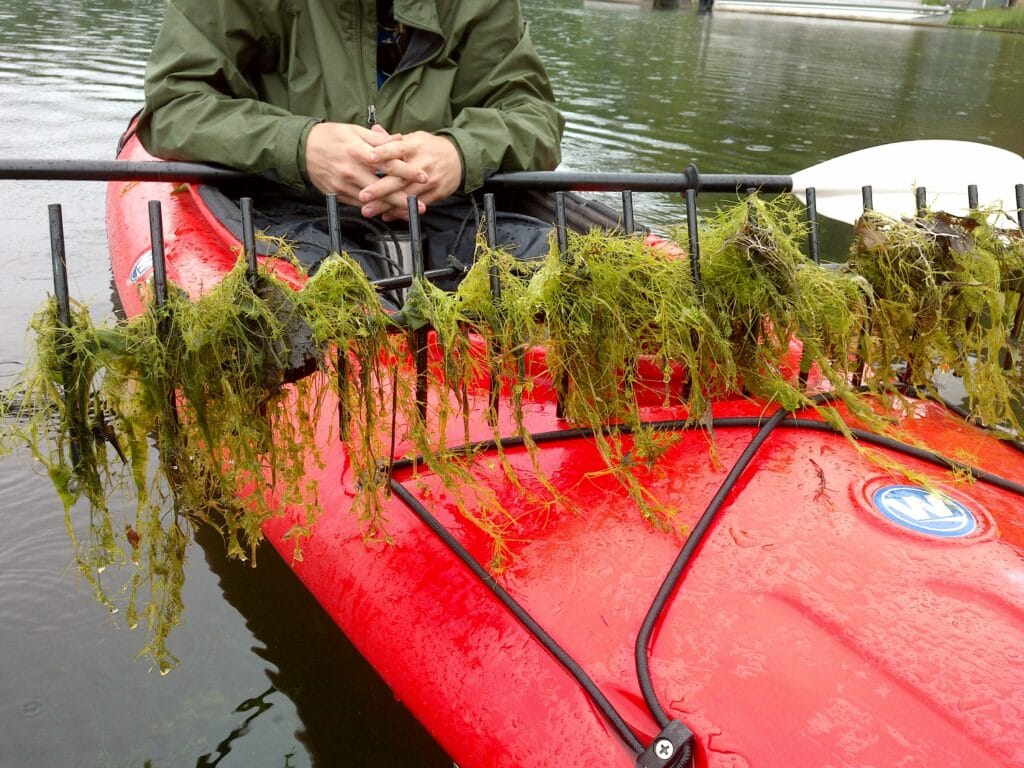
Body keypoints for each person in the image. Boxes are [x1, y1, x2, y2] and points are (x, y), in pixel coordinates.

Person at [135, 0, 565, 291]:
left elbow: (534, 116)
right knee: (309, 301)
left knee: (562, 268)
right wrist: (300, 145)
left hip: (450, 215)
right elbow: (175, 108)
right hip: (280, 211)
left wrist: (459, 154)